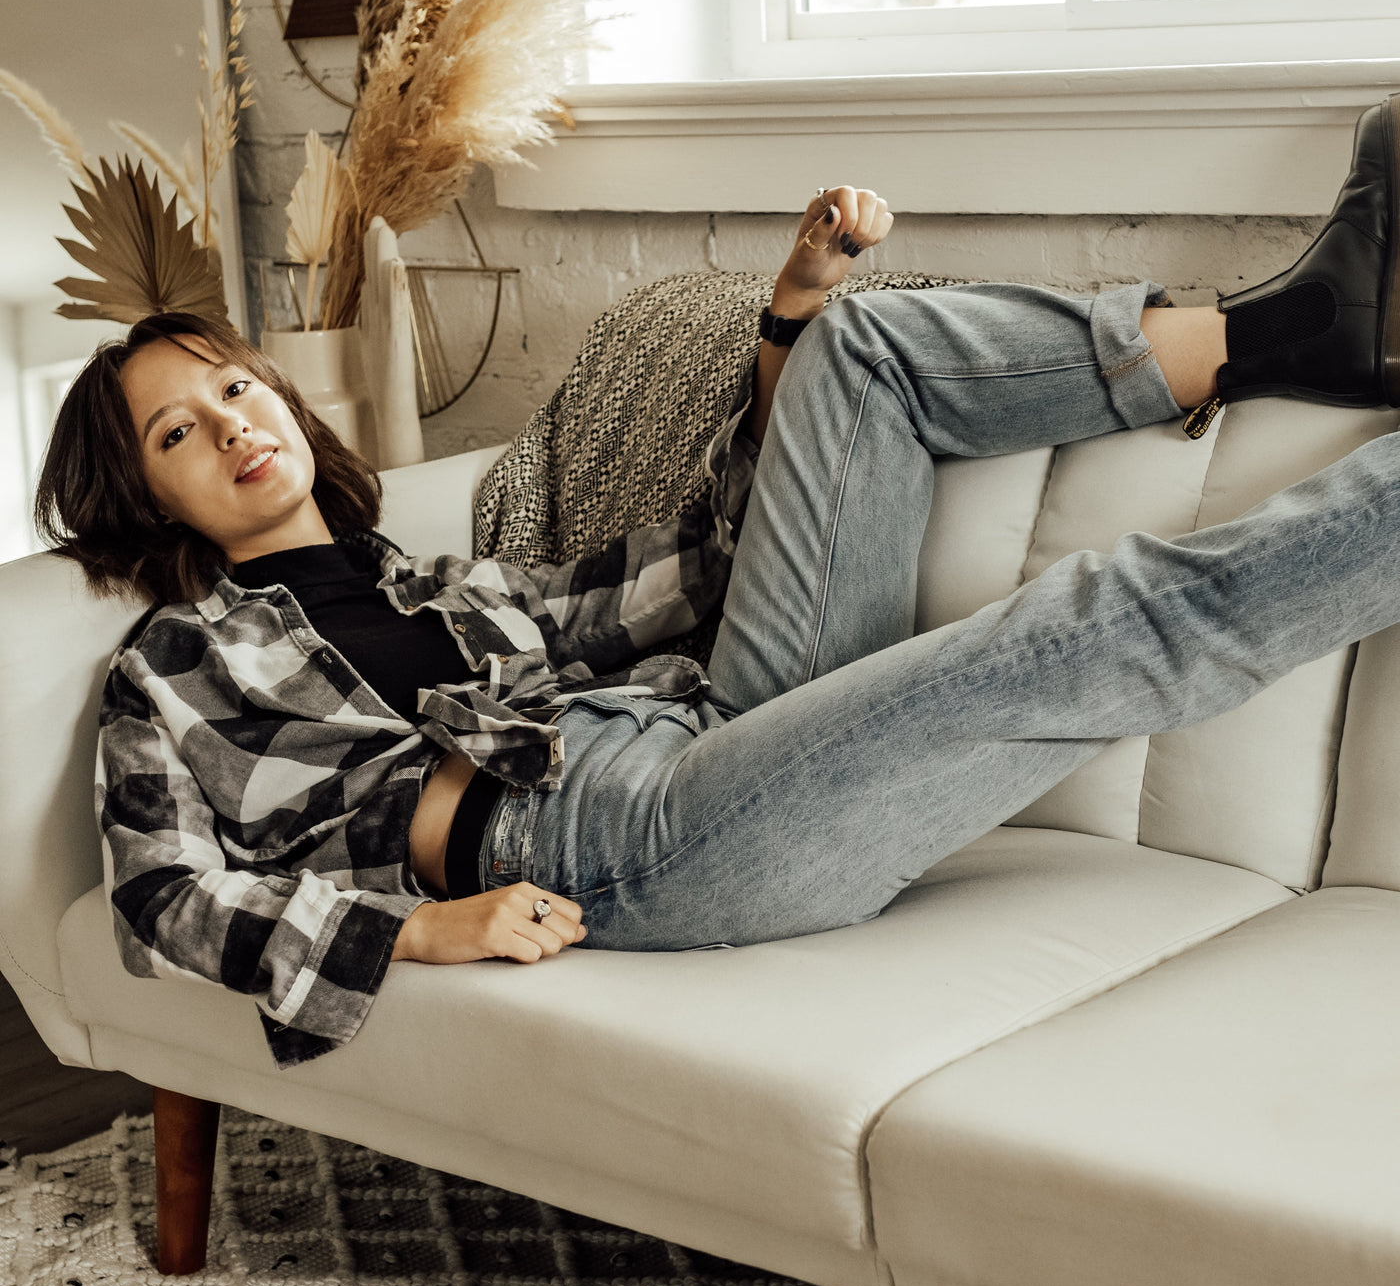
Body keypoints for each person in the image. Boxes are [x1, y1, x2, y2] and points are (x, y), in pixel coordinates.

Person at [35, 95, 1400, 1071]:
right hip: (610, 840)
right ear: (145, 496)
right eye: (175, 432)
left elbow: (697, 571)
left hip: (699, 721)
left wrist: (787, 317)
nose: (228, 426)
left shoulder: (432, 584)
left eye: (229, 385)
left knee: (857, 350)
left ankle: (1298, 330)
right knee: (1087, 626)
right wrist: (419, 931)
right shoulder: (172, 667)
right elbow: (158, 897)